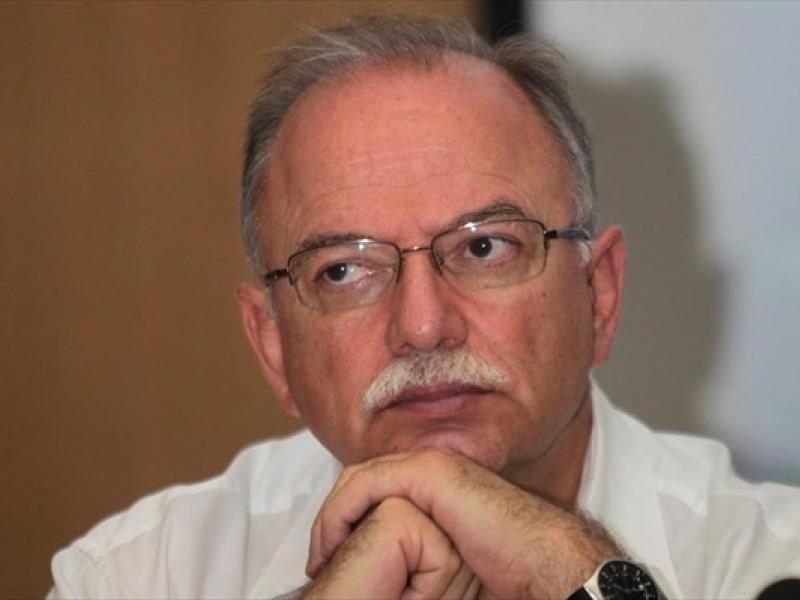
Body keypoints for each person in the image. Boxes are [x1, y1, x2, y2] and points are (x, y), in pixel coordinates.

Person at [50, 14, 800, 600]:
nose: (422, 326)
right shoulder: (140, 576)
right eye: (344, 270)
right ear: (272, 347)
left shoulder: (770, 563)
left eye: (485, 248)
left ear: (598, 295)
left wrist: (573, 570)